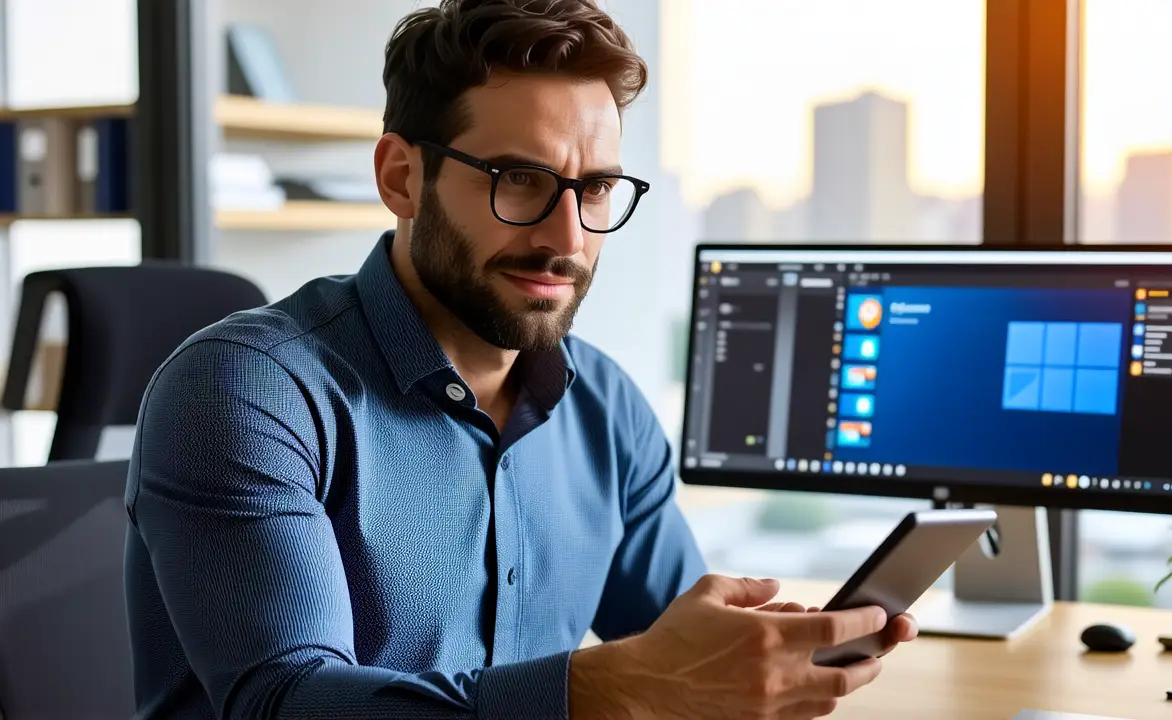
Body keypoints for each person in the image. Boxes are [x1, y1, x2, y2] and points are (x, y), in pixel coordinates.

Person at [123, 1, 917, 718]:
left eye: (596, 189)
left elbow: (682, 649)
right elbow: (283, 703)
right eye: (521, 179)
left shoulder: (607, 406)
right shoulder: (247, 390)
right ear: (402, 177)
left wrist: (771, 656)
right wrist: (614, 688)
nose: (566, 238)